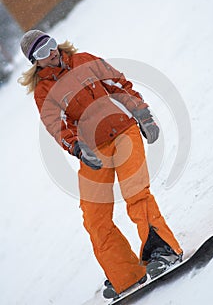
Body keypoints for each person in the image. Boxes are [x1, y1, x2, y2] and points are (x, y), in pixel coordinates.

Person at [18, 30, 183, 299]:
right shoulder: (44, 90)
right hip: (94, 150)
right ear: (35, 62)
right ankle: (125, 274)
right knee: (94, 217)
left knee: (136, 194)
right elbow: (57, 125)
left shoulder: (84, 60)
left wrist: (143, 115)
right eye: (40, 52)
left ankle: (163, 250)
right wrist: (78, 147)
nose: (50, 53)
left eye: (49, 44)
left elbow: (119, 85)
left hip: (124, 132)